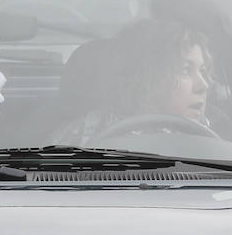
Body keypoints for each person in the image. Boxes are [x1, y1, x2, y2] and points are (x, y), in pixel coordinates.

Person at [50, 20, 218, 145]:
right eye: (185, 70)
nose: (203, 85)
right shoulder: (83, 133)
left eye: (202, 71)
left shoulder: (215, 140)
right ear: (148, 78)